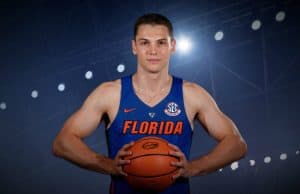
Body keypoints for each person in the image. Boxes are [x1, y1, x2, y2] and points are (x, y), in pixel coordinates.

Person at [52, 13, 247, 194]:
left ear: (173, 46)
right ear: (134, 47)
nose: (153, 50)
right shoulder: (110, 93)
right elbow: (62, 142)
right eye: (145, 43)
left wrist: (194, 167)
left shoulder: (191, 95)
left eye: (161, 42)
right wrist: (108, 165)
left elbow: (237, 144)